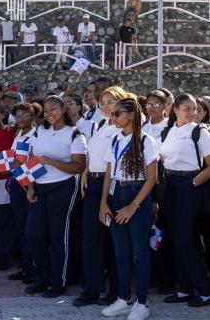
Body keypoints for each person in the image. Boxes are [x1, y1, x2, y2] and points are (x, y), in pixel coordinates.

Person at [99, 95, 158, 320]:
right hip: (115, 197)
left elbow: (151, 179)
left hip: (136, 197)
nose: (113, 117)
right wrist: (103, 202)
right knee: (120, 252)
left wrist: (133, 206)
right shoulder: (114, 140)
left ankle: (141, 303)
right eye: (113, 113)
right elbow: (108, 173)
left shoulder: (146, 141)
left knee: (140, 254)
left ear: (131, 115)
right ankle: (123, 299)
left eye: (117, 113)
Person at [158, 94, 210, 308]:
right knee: (177, 240)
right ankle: (184, 289)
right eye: (186, 108)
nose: (192, 112)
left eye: (194, 108)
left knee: (184, 241)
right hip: (170, 186)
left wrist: (191, 183)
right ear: (175, 109)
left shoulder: (200, 132)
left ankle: (205, 292)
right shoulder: (169, 130)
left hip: (189, 186)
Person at [24, 96, 87, 298]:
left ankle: (57, 282)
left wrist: (52, 162)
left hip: (64, 187)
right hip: (40, 187)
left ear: (63, 109)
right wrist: (31, 187)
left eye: (54, 108)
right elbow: (32, 160)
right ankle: (41, 279)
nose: (49, 113)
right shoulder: (39, 131)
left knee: (59, 236)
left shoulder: (75, 134)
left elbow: (79, 166)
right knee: (34, 234)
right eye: (45, 110)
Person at [74, 86, 127, 307]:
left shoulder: (123, 129)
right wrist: (85, 172)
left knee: (114, 242)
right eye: (103, 102)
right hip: (93, 183)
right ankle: (92, 290)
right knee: (90, 239)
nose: (105, 106)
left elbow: (113, 163)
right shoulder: (101, 125)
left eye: (111, 102)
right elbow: (92, 154)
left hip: (112, 186)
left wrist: (104, 197)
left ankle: (116, 291)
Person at [6, 103, 38, 286]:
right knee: (21, 227)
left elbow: (32, 162)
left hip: (28, 183)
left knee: (30, 229)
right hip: (17, 182)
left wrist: (30, 187)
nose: (20, 118)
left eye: (25, 114)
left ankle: (33, 269)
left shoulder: (35, 136)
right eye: (17, 115)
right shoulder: (18, 134)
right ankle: (26, 267)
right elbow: (14, 159)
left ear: (33, 116)